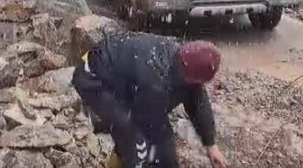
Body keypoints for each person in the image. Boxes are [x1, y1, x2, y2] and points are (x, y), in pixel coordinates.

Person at [72, 32, 228, 168]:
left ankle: (118, 156)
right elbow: (160, 136)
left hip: (124, 72)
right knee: (136, 139)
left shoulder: (183, 59)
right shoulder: (154, 80)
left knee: (138, 126)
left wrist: (210, 144)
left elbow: (198, 100)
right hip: (92, 78)